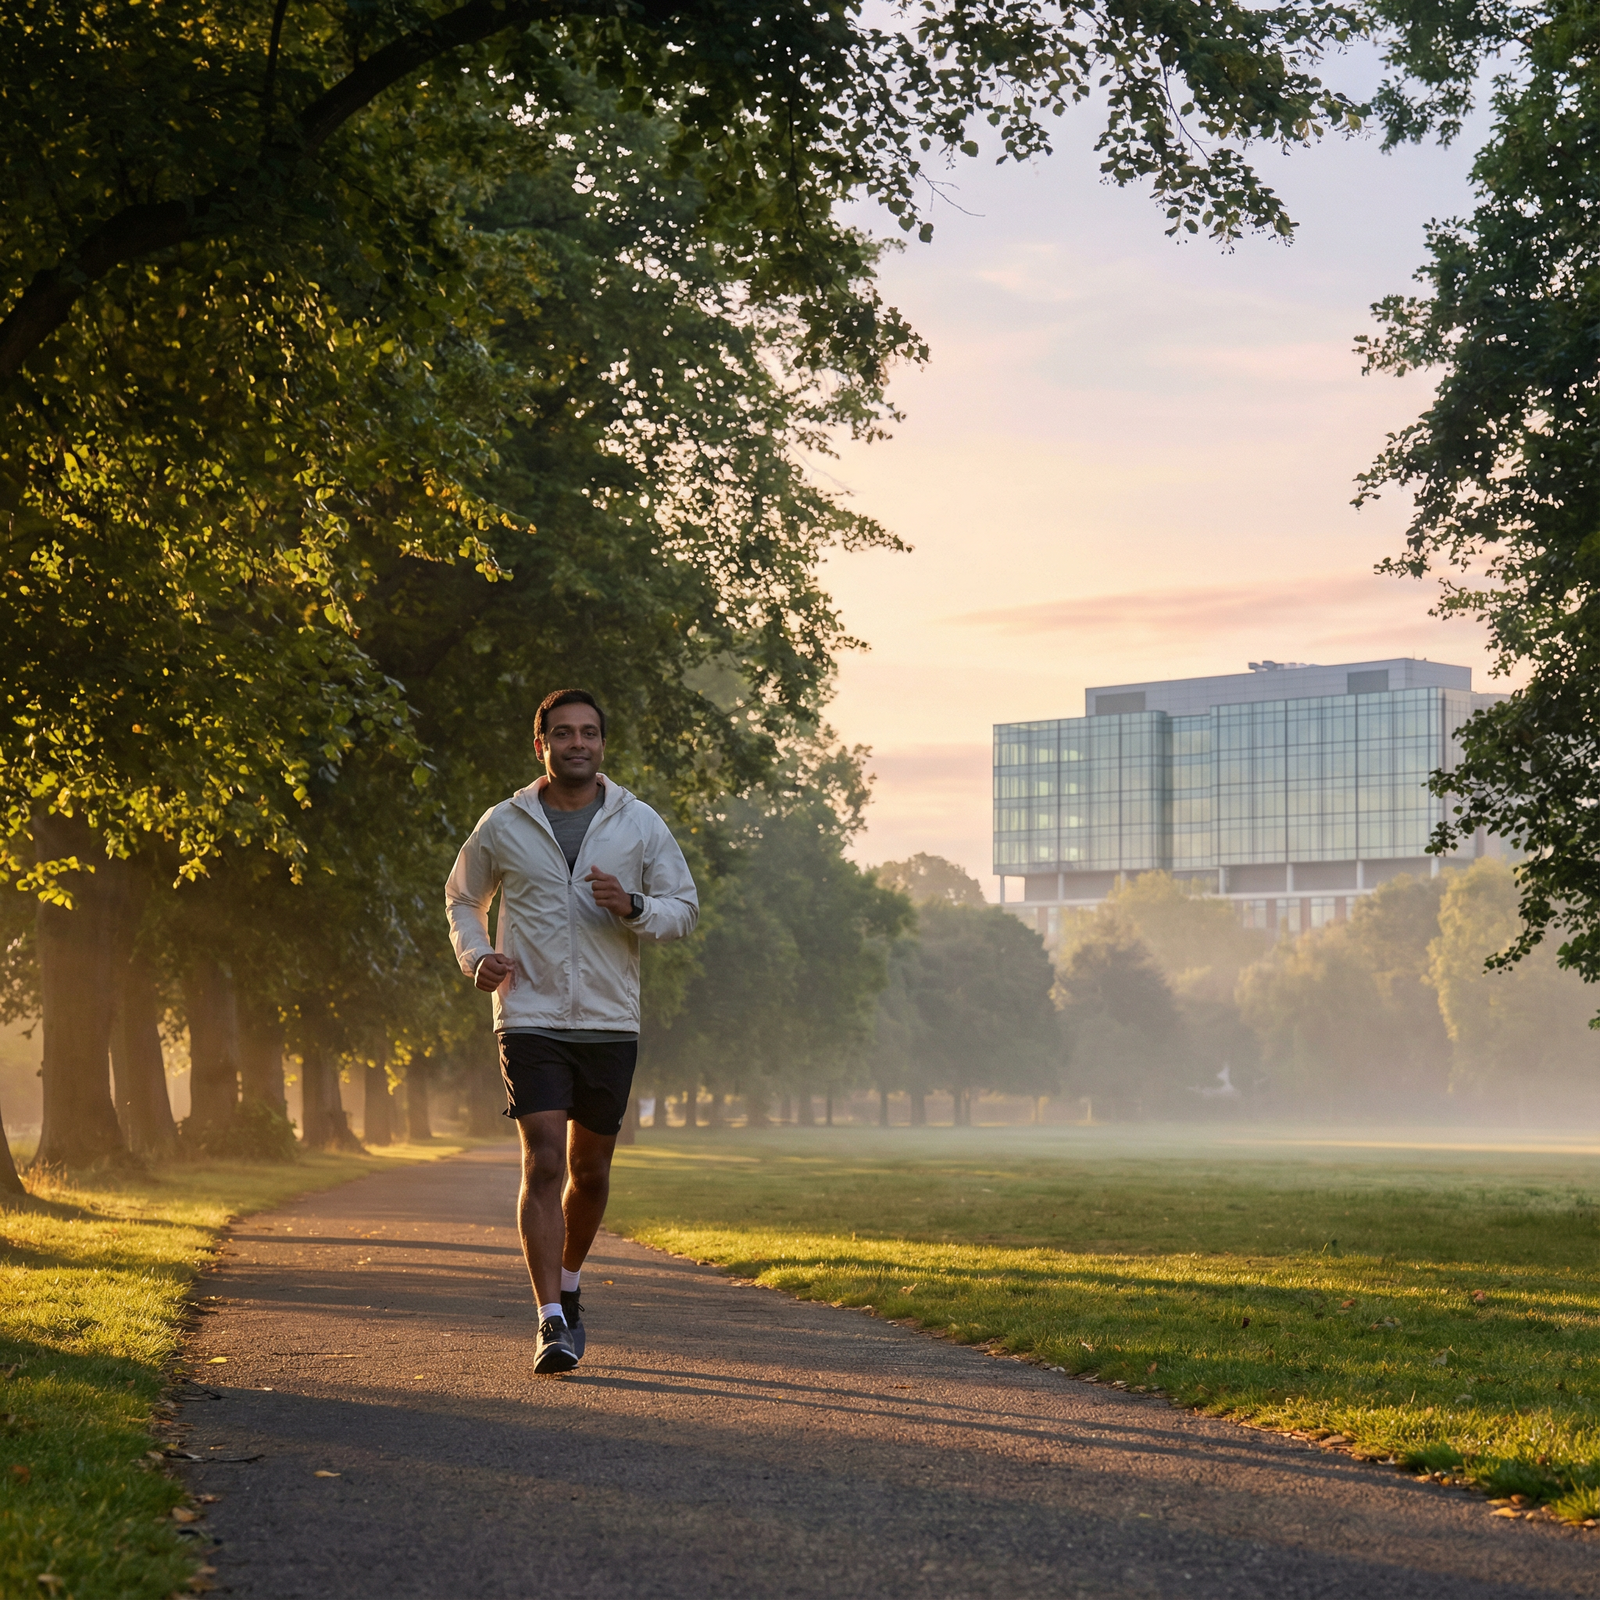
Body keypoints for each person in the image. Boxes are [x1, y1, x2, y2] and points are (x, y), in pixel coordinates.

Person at [445, 689, 699, 1373]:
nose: (576, 743)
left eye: (588, 733)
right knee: (545, 1161)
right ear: (542, 746)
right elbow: (463, 897)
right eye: (563, 733)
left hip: (610, 1020)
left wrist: (634, 904)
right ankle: (549, 1320)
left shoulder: (639, 823)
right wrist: (476, 956)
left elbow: (683, 909)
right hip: (529, 1014)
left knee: (589, 1172)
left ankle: (572, 1282)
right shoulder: (503, 823)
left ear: (602, 745)